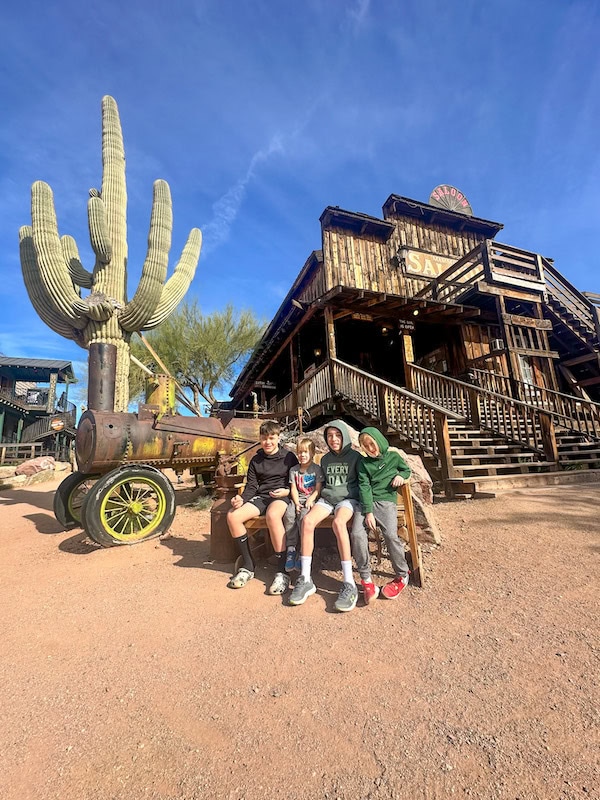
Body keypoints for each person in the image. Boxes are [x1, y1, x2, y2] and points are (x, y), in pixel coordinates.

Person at [289, 420, 364, 612]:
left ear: (344, 437)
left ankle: (349, 582)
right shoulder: (326, 460)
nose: (334, 439)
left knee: (339, 523)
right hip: (328, 500)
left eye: (337, 435)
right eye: (330, 436)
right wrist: (313, 497)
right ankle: (305, 578)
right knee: (307, 521)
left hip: (347, 500)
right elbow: (322, 486)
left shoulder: (356, 458)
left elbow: (363, 482)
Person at [227, 420, 298, 593]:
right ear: (260, 438)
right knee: (232, 516)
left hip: (281, 496)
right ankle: (249, 566)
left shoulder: (288, 457)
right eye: (264, 438)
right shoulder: (256, 460)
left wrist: (287, 491)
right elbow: (252, 486)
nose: (268, 442)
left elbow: (297, 481)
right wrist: (242, 499)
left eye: (272, 438)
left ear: (278, 438)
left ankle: (282, 572)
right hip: (261, 497)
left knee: (273, 516)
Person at [355, 427, 412, 603]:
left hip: (386, 501)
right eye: (366, 446)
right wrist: (368, 512)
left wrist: (401, 477)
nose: (371, 448)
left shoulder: (393, 457)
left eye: (372, 444)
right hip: (366, 503)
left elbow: (406, 470)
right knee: (357, 534)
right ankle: (366, 578)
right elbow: (364, 487)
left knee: (390, 535)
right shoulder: (363, 464)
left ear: (379, 441)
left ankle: (402, 575)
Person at [283, 437, 325, 572]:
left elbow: (318, 488)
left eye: (306, 452)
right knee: (289, 515)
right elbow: (293, 488)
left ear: (312, 453)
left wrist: (311, 499)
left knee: (303, 518)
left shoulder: (316, 469)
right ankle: (291, 549)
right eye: (300, 452)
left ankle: (303, 551)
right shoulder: (294, 470)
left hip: (310, 500)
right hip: (297, 499)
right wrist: (295, 503)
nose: (302, 455)